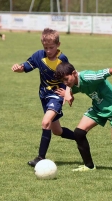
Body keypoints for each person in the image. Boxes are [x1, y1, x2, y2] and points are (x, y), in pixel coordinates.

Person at [11, 28, 75, 167]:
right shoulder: (39, 55)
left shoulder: (62, 59)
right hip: (44, 96)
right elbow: (26, 66)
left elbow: (71, 77)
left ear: (58, 44)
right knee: (57, 131)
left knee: (45, 122)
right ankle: (79, 136)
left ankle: (40, 157)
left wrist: (68, 92)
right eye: (45, 47)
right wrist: (18, 68)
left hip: (57, 96)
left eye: (51, 47)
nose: (48, 50)